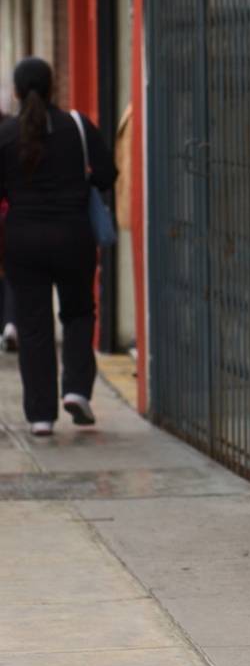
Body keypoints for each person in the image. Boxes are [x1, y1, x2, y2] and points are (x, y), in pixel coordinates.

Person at [0, 58, 117, 436]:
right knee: (79, 312)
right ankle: (77, 391)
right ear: (54, 87)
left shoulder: (6, 135)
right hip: (73, 237)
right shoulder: (78, 127)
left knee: (33, 325)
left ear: (17, 92)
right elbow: (104, 175)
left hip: (22, 240)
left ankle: (40, 417)